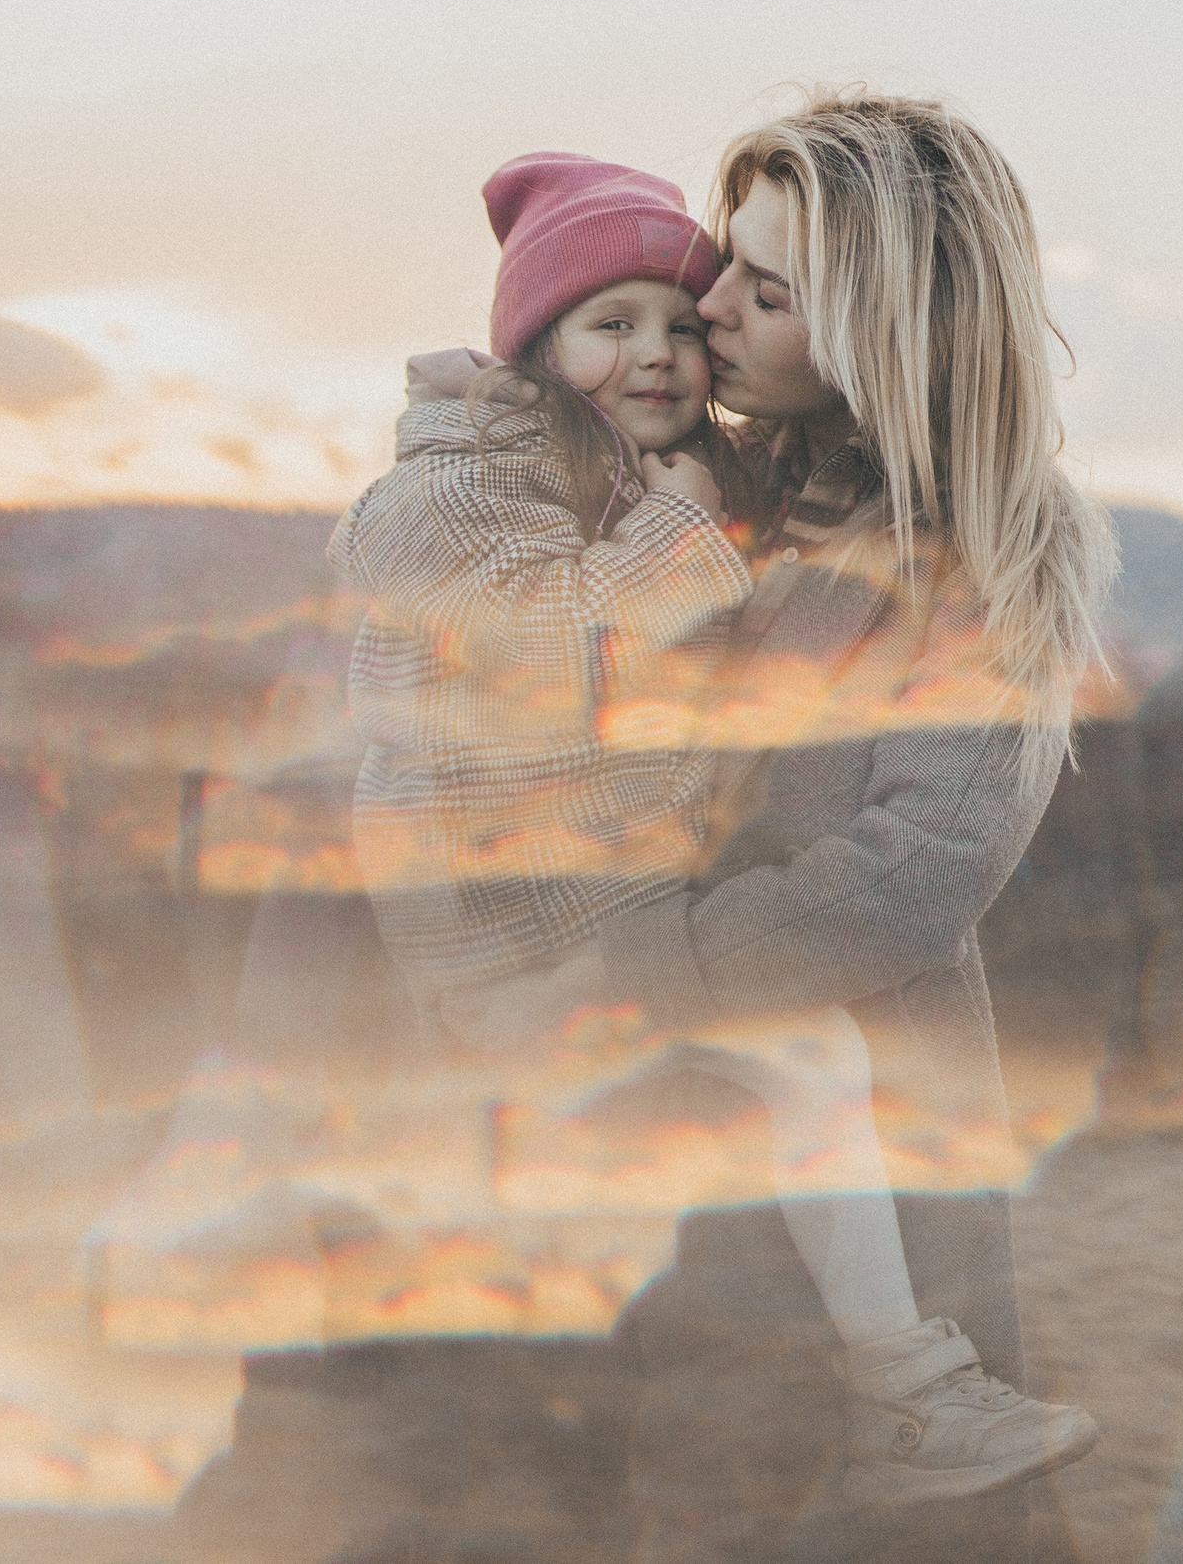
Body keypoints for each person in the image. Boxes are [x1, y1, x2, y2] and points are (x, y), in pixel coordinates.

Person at [328, 147, 1097, 1507]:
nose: (711, 313)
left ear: (879, 329)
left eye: (761, 291)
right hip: (630, 1143)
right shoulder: (678, 480)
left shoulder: (970, 557)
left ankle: (913, 1395)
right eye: (721, 265)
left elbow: (912, 880)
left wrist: (619, 975)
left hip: (849, 1132)